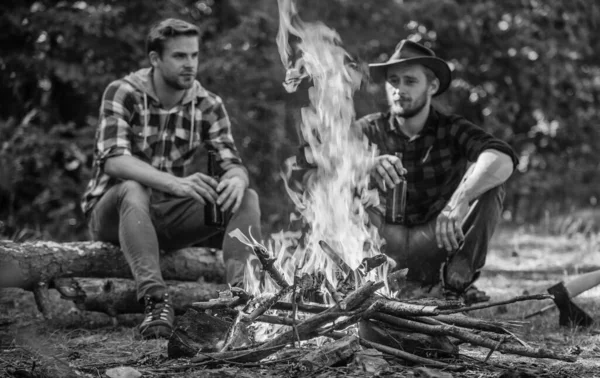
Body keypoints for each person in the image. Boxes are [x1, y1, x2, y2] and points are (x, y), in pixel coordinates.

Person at [290, 40, 518, 304]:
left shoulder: (451, 128)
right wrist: (363, 165)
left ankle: (453, 289)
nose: (399, 90)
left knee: (490, 186)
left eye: (410, 81)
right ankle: (348, 286)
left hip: (438, 243)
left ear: (431, 86)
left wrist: (459, 201)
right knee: (332, 184)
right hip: (381, 249)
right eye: (394, 81)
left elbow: (501, 157)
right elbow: (305, 172)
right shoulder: (369, 129)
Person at [81, 18, 261, 338]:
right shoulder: (123, 92)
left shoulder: (208, 104)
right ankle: (155, 301)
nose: (190, 64)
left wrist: (236, 178)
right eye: (179, 56)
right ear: (155, 59)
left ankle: (241, 299)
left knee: (246, 197)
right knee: (133, 188)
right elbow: (113, 160)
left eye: (194, 55)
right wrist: (175, 183)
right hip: (113, 213)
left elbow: (232, 161)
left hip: (168, 217)